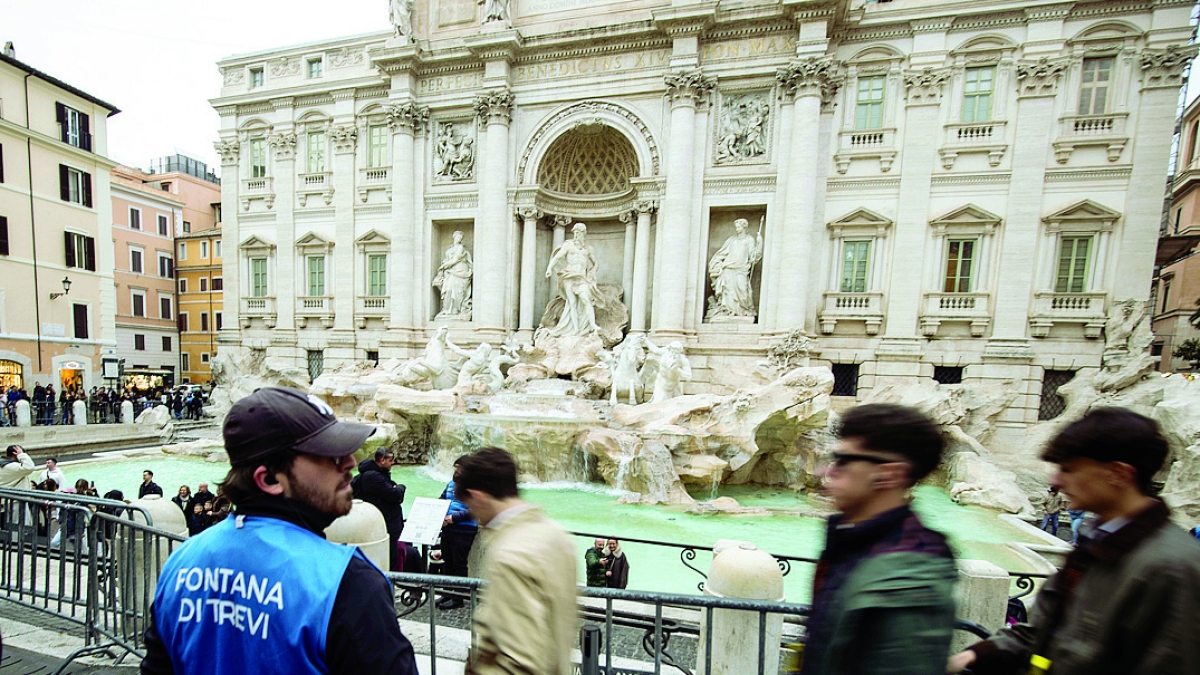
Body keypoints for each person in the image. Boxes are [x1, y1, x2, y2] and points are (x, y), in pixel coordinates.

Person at [140, 386, 417, 675]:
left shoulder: (180, 563)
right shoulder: (347, 582)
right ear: (270, 478)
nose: (349, 462)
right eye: (329, 454)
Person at [948, 407, 1200, 675]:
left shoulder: (1173, 568)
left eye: (1068, 469)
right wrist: (975, 655)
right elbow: (1045, 629)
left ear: (1118, 474)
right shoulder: (1098, 542)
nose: (1056, 480)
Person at [801, 404, 957, 675]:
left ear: (888, 474)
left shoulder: (911, 582)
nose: (828, 471)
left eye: (843, 460)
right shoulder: (850, 540)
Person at [455, 447, 576, 675]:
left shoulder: (510, 556)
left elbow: (519, 662)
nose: (474, 516)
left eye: (470, 507)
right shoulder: (556, 534)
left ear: (478, 497)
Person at [351, 448, 406, 571]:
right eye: (390, 460)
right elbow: (395, 494)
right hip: (386, 523)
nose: (393, 463)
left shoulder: (376, 474)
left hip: (384, 521)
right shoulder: (373, 476)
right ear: (382, 460)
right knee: (389, 556)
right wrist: (401, 487)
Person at [544, 223, 603, 337]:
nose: (576, 235)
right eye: (575, 232)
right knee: (572, 303)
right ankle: (575, 329)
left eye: (579, 232)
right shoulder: (568, 245)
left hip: (581, 278)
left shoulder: (588, 248)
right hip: (569, 275)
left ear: (584, 234)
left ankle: (592, 324)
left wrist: (593, 271)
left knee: (586, 299)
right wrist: (549, 269)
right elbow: (557, 258)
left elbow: (595, 263)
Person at [435, 455, 478, 610]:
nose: (456, 471)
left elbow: (475, 510)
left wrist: (454, 518)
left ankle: (458, 598)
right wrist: (435, 512)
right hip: (448, 528)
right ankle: (446, 593)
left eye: (459, 468)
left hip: (464, 529)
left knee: (459, 564)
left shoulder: (475, 487)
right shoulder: (451, 484)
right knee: (447, 562)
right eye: (455, 467)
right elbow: (441, 499)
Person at [706, 217, 763, 319]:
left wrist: (760, 244)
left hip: (742, 269)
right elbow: (721, 253)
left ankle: (743, 311)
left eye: (739, 227)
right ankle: (728, 311)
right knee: (728, 291)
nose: (737, 229)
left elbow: (753, 257)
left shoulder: (749, 240)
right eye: (736, 227)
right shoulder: (731, 240)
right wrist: (716, 263)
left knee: (743, 290)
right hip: (728, 268)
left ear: (744, 227)